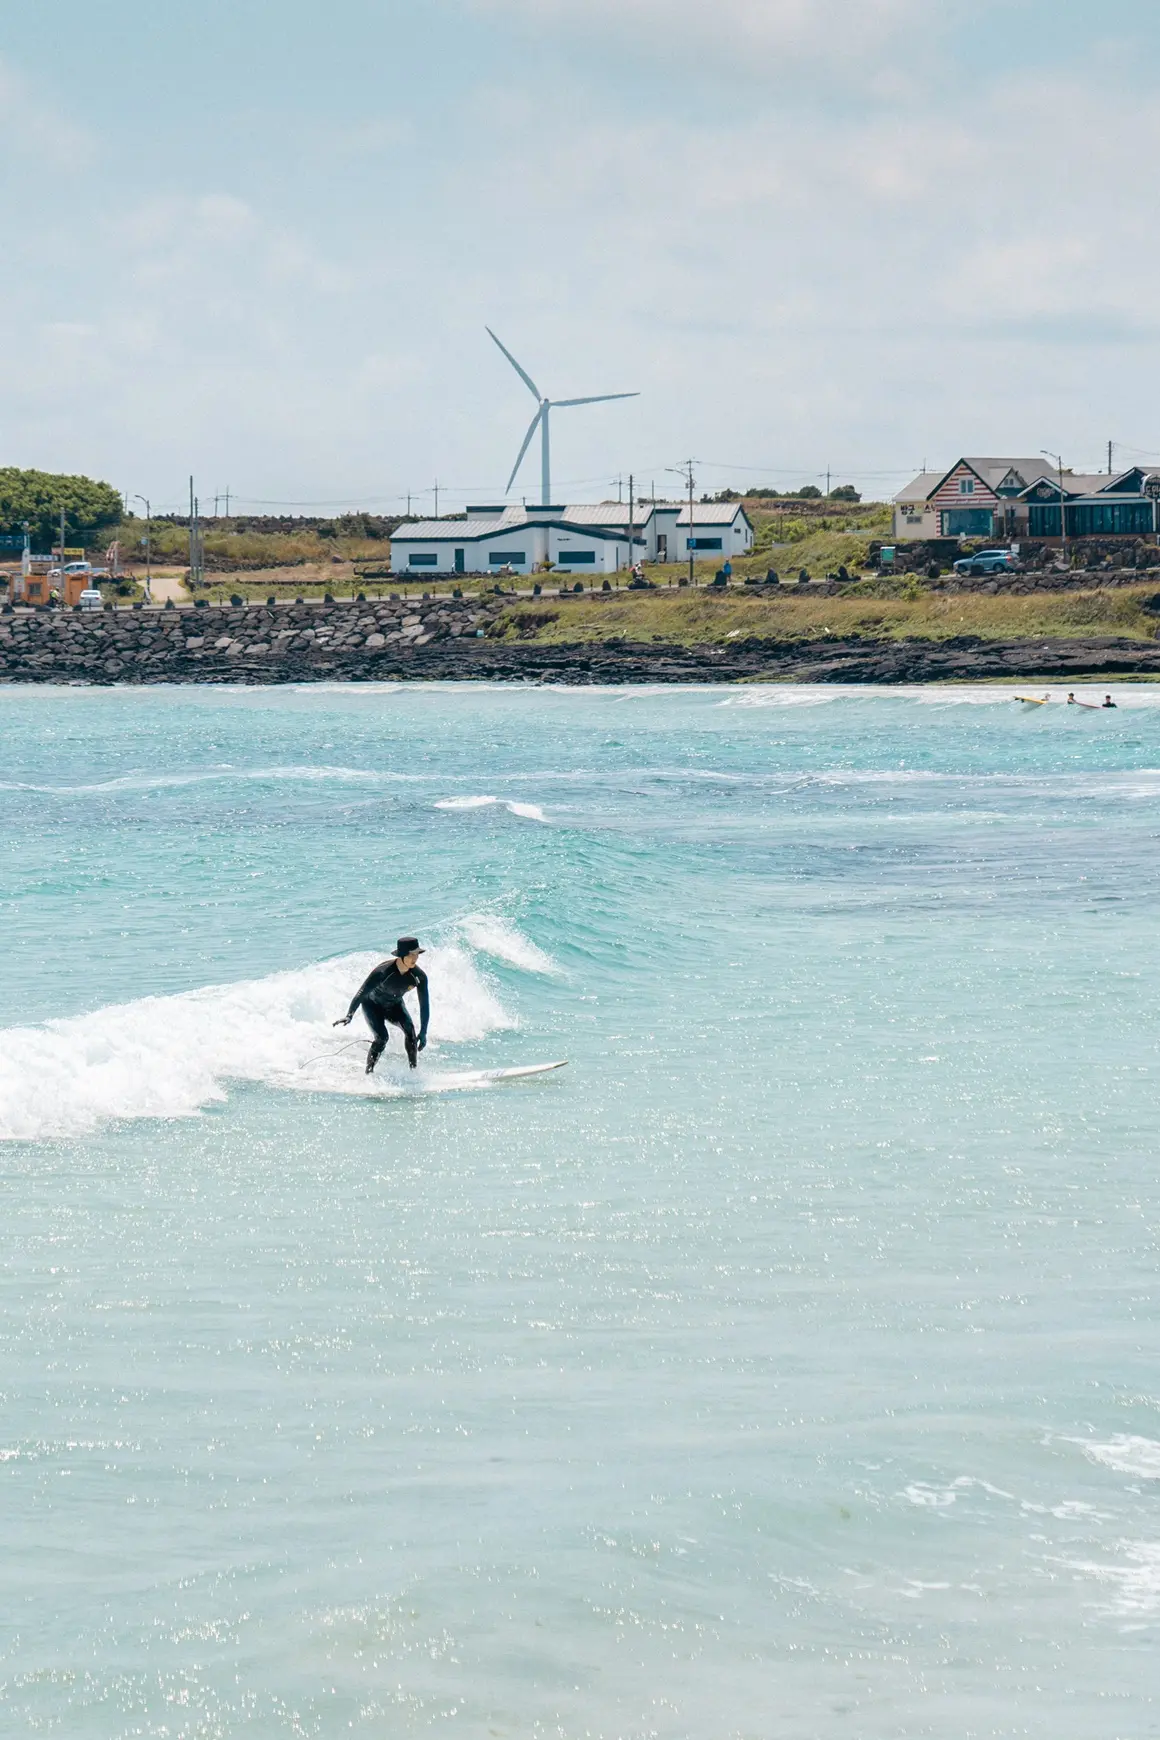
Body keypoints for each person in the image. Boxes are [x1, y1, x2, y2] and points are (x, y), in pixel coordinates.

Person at [334, 937, 430, 1072]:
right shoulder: (382, 972)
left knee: (411, 1032)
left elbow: (424, 1005)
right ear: (402, 955)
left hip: (394, 1005)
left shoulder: (419, 977)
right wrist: (349, 1015)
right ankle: (369, 1073)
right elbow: (361, 993)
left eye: (417, 954)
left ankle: (413, 1072)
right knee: (382, 1038)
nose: (415, 958)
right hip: (372, 1006)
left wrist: (424, 1032)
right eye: (411, 954)